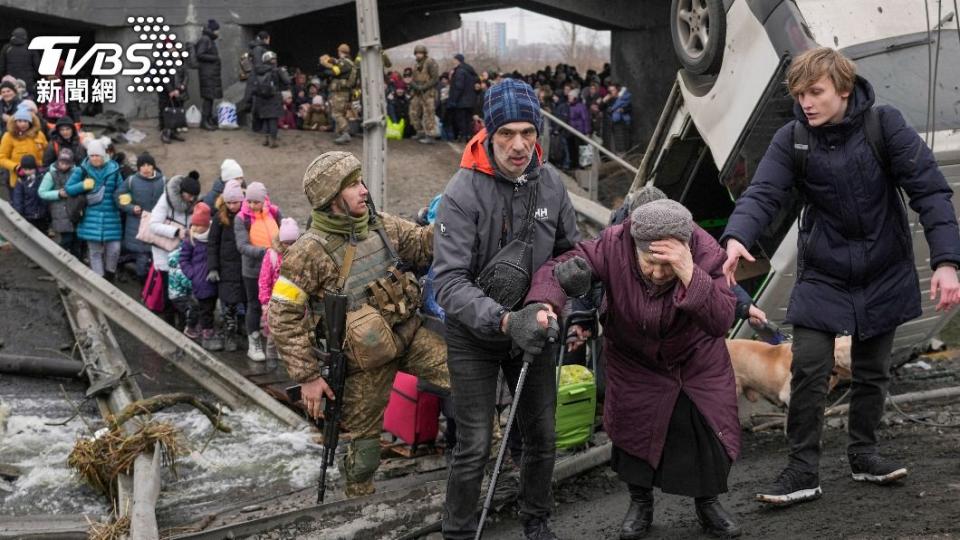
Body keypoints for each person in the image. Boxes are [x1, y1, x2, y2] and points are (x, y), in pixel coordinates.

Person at [720, 47, 960, 506]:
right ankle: (802, 470)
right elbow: (764, 192)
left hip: (883, 266)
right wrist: (736, 237)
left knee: (872, 370)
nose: (806, 102)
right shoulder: (793, 138)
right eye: (799, 94)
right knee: (808, 365)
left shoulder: (884, 125)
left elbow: (929, 190)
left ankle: (864, 454)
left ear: (844, 90)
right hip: (824, 271)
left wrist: (947, 261)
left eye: (816, 92)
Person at [528, 199, 743, 539]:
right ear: (634, 246)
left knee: (704, 433)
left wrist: (689, 272)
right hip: (633, 357)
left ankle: (708, 503)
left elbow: (720, 320)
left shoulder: (704, 251)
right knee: (632, 432)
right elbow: (560, 266)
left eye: (667, 266)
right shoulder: (614, 243)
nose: (658, 274)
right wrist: (545, 302)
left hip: (693, 360)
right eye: (650, 264)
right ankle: (640, 503)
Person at [432, 78, 580, 540]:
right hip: (475, 334)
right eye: (506, 135)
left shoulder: (552, 184)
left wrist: (565, 286)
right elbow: (448, 282)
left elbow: (567, 252)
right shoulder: (461, 192)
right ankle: (457, 532)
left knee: (542, 436)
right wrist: (502, 320)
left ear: (538, 132)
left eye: (528, 133)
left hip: (534, 327)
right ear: (487, 132)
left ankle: (536, 522)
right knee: (474, 444)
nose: (519, 146)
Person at [269, 151, 448, 498]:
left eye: (361, 181)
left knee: (470, 379)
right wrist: (307, 377)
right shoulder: (308, 252)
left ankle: (492, 464)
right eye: (352, 185)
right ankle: (357, 506)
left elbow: (425, 246)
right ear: (331, 198)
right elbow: (282, 315)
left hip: (408, 336)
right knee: (365, 452)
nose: (363, 190)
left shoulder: (382, 226)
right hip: (363, 364)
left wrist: (458, 217)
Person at [234, 181, 281, 361]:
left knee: (277, 305)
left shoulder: (275, 213)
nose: (252, 205)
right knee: (254, 305)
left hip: (276, 269)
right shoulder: (242, 219)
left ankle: (276, 343)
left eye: (256, 202)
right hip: (252, 270)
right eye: (250, 202)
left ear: (264, 200)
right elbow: (242, 245)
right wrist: (266, 252)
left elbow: (283, 234)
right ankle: (254, 343)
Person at [64, 139, 122, 281]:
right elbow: (68, 189)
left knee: (114, 249)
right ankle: (99, 280)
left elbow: (122, 189)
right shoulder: (82, 170)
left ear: (104, 155)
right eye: (92, 156)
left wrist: (125, 197)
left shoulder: (113, 170)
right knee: (95, 251)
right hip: (90, 217)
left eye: (98, 155)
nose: (95, 158)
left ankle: (110, 274)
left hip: (111, 216)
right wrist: (83, 185)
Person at [208, 179, 246, 351]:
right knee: (229, 304)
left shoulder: (247, 216)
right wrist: (213, 267)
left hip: (244, 265)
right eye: (229, 202)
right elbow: (213, 243)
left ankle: (243, 327)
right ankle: (229, 333)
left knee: (245, 300)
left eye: (235, 202)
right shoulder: (219, 218)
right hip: (226, 267)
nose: (232, 206)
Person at [179, 201, 222, 350]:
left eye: (198, 225)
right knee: (205, 308)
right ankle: (207, 332)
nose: (195, 228)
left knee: (207, 306)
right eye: (193, 225)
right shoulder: (190, 240)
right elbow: (183, 259)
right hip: (199, 281)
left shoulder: (213, 237)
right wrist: (193, 274)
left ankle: (196, 327)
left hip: (212, 279)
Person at [116, 152, 165, 281]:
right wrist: (131, 208)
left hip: (156, 223)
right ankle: (143, 281)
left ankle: (150, 282)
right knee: (141, 254)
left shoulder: (163, 181)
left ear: (153, 166)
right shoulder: (132, 180)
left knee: (154, 254)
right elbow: (118, 197)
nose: (146, 168)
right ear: (138, 167)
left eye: (149, 165)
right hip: (136, 224)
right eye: (142, 165)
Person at [258, 217, 299, 361]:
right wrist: (265, 301)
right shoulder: (272, 255)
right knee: (272, 332)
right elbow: (264, 280)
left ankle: (284, 353)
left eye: (292, 243)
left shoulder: (300, 255)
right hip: (274, 301)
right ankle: (271, 355)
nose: (289, 246)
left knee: (289, 329)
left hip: (293, 300)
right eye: (286, 243)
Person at [38, 148, 80, 257]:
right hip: (60, 211)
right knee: (67, 239)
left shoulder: (77, 172)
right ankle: (56, 258)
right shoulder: (51, 175)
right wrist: (58, 194)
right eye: (62, 162)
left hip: (75, 210)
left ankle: (76, 262)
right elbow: (42, 192)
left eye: (67, 163)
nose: (64, 165)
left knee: (77, 240)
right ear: (58, 161)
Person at [0, 104, 47, 194]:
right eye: (20, 121)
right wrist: (16, 167)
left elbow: (46, 152)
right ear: (15, 122)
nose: (23, 124)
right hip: (18, 180)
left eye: (26, 121)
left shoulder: (39, 134)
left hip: (39, 179)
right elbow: (1, 157)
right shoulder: (8, 136)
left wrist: (42, 166)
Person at [252, 51, 290, 148]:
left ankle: (266, 139)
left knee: (265, 118)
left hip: (261, 98)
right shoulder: (277, 70)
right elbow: (287, 81)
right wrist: (284, 72)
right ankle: (273, 141)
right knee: (273, 119)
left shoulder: (258, 70)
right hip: (274, 96)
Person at [320, 44, 356, 145]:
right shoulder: (348, 62)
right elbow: (337, 64)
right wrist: (333, 61)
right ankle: (339, 134)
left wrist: (325, 67)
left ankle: (345, 132)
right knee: (339, 112)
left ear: (340, 51)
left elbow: (335, 72)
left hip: (341, 93)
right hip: (343, 92)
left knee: (336, 113)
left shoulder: (345, 63)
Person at [195, 19, 223, 131]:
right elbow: (199, 54)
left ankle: (208, 119)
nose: (218, 32)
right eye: (217, 30)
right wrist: (215, 58)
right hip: (207, 74)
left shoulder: (209, 40)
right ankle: (204, 122)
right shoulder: (205, 39)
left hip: (210, 74)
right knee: (208, 98)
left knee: (210, 98)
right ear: (212, 30)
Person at [409, 44, 439, 144]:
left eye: (420, 53)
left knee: (428, 113)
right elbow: (411, 78)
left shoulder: (430, 62)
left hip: (428, 92)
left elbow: (435, 78)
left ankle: (430, 135)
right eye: (417, 53)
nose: (418, 55)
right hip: (417, 92)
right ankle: (420, 131)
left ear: (424, 53)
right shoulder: (415, 64)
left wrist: (424, 87)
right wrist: (414, 85)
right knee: (413, 112)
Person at [241, 31, 271, 129]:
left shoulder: (257, 48)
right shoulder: (258, 49)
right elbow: (258, 67)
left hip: (256, 79)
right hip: (257, 80)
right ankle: (256, 127)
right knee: (256, 103)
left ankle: (257, 126)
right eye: (268, 38)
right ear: (265, 38)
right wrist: (271, 68)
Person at [12, 154, 48, 231]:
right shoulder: (21, 181)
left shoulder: (42, 176)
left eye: (30, 169)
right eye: (25, 169)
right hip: (28, 214)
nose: (28, 172)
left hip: (42, 213)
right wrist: (19, 214)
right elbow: (18, 199)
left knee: (43, 233)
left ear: (35, 167)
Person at [448, 54, 478, 142]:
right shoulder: (469, 70)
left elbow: (458, 87)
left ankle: (464, 136)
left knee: (461, 120)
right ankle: (469, 136)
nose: (453, 62)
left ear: (458, 60)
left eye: (454, 60)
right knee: (468, 120)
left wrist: (453, 100)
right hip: (470, 100)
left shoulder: (460, 71)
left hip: (461, 101)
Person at [0, 28, 40, 96]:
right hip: (27, 83)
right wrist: (32, 77)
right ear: (25, 37)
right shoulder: (31, 48)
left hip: (10, 84)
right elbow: (38, 67)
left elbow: (1, 68)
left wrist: (6, 77)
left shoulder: (6, 48)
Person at [158, 67, 188, 144]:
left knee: (174, 112)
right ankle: (165, 134)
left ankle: (172, 132)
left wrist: (180, 88)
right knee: (165, 111)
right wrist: (170, 90)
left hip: (176, 89)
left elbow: (185, 74)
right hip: (165, 90)